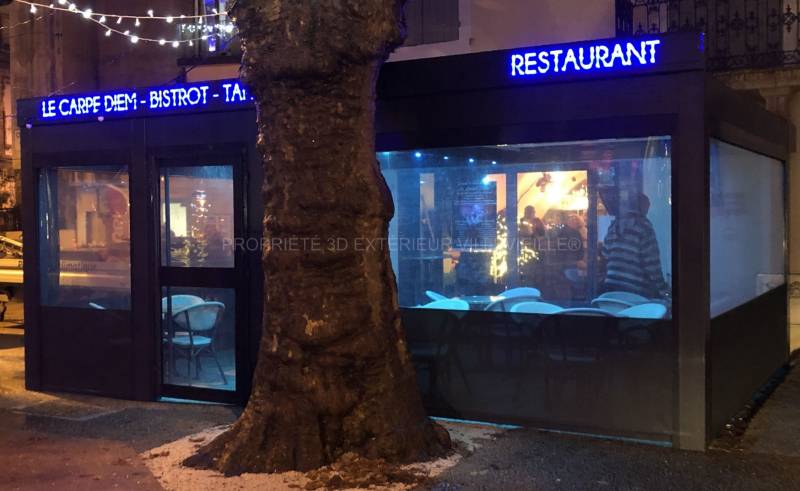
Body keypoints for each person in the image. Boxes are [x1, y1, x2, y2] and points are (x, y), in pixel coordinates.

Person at [601, 193, 668, 298]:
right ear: (643, 207)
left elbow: (605, 253)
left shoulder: (614, 225)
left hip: (611, 288)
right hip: (634, 292)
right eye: (647, 207)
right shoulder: (644, 227)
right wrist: (664, 289)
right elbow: (652, 265)